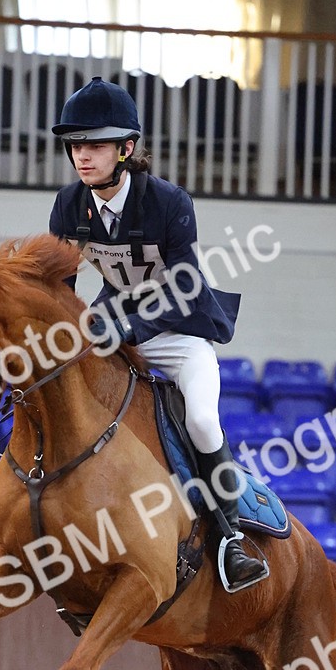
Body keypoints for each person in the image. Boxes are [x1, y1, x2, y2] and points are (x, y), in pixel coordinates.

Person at [49, 75, 268, 593]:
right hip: (114, 334)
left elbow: (184, 287)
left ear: (126, 149)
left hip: (178, 336)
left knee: (202, 420)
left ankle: (230, 538)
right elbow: (60, 287)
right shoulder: (68, 205)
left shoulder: (169, 202)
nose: (83, 156)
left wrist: (121, 326)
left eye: (96, 145)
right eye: (76, 145)